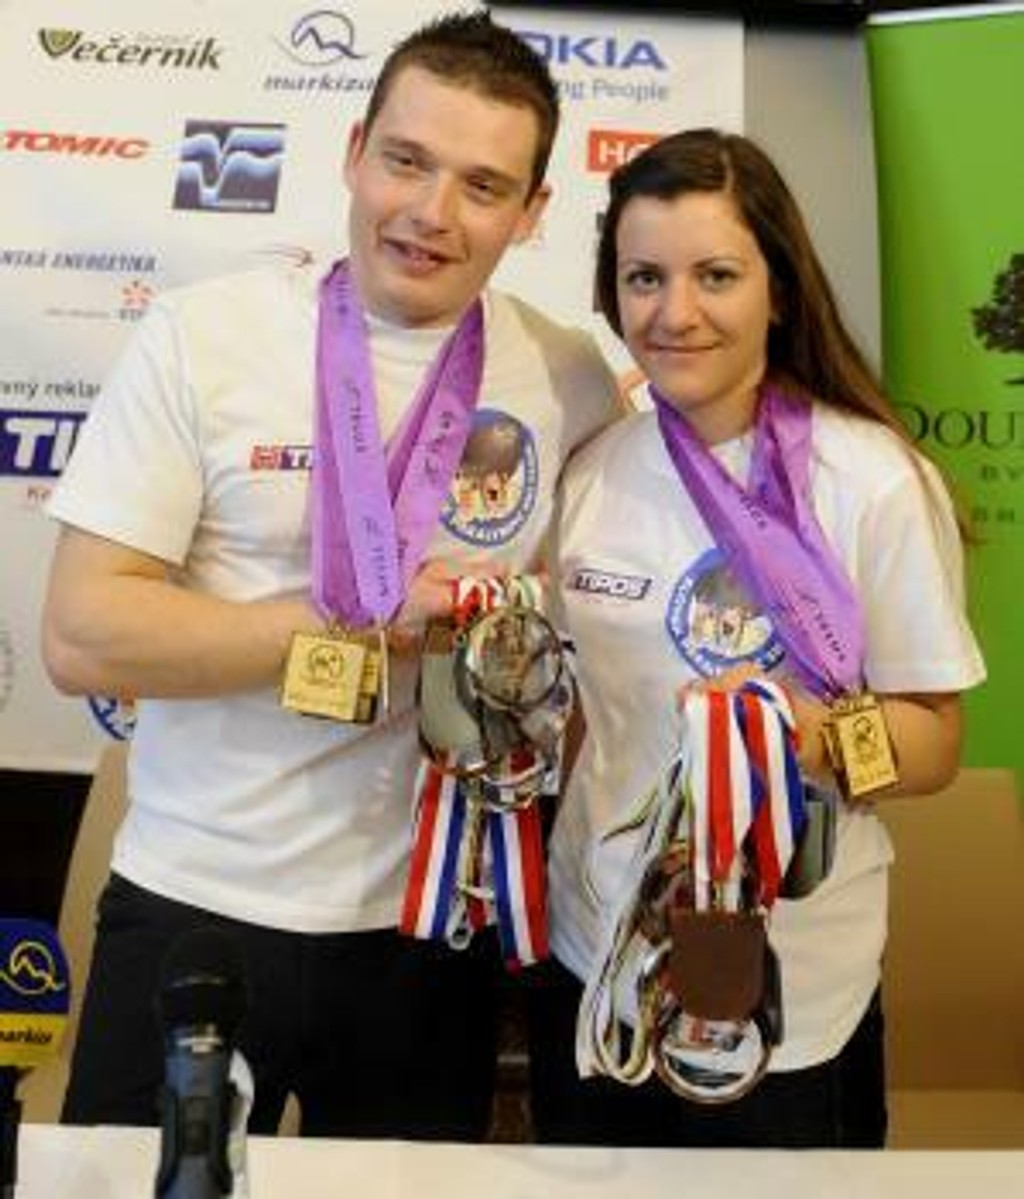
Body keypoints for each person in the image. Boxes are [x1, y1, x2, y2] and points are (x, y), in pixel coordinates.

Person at [41, 11, 618, 1141]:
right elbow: (81, 635)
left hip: (432, 925)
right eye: (406, 160)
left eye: (483, 186)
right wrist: (353, 621)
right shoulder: (203, 337)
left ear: (533, 211)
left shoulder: (568, 374)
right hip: (197, 904)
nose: (432, 212)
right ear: (354, 153)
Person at [527, 128, 985, 1148]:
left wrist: (808, 738)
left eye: (716, 275)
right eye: (644, 277)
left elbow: (934, 741)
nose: (674, 311)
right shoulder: (591, 471)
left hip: (795, 991)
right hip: (598, 959)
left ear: (778, 290)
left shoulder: (873, 481)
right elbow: (583, 721)